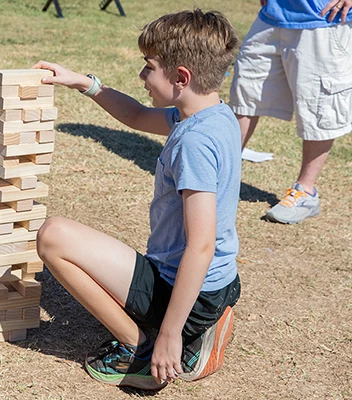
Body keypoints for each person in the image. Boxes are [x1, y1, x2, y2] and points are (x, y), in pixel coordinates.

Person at [33, 9, 241, 390]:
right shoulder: (212, 114)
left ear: (181, 77)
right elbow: (137, 115)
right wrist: (84, 83)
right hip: (219, 286)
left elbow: (201, 246)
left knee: (53, 236)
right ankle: (198, 328)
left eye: (148, 68)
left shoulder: (194, 142)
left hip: (189, 292)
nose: (142, 77)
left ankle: (141, 349)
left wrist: (169, 336)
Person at [230, 0, 352, 224]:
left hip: (324, 19)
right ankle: (223, 176)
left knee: (318, 108)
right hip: (272, 15)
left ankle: (305, 192)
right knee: (244, 94)